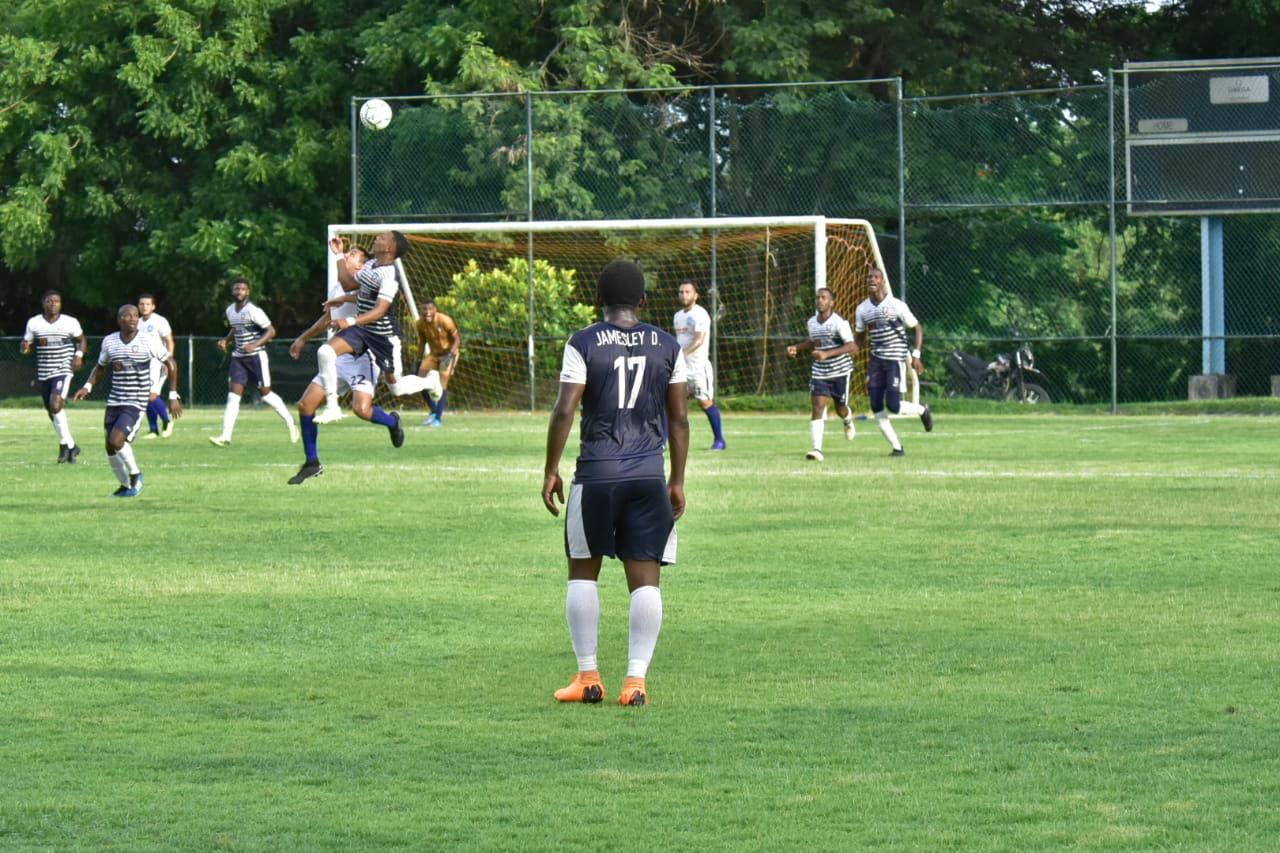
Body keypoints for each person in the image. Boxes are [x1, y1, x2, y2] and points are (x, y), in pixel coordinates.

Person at [542, 259, 689, 708]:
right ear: (643, 301)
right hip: (648, 474)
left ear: (596, 300)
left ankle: (587, 677)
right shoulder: (667, 345)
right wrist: (677, 479)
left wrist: (551, 468)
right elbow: (679, 418)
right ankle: (635, 683)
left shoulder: (583, 341)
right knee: (646, 580)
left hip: (597, 474)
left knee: (583, 569)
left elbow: (566, 409)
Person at [286, 248, 405, 485]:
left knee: (361, 410)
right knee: (305, 405)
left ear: (360, 265)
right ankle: (312, 463)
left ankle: (392, 422)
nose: (346, 256)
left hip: (363, 355)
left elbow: (375, 306)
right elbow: (328, 317)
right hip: (338, 357)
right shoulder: (337, 287)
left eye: (351, 254)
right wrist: (303, 337)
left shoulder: (368, 286)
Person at [71, 304, 182, 497]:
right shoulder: (110, 341)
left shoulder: (148, 340)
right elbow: (100, 367)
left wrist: (172, 395)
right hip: (115, 400)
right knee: (109, 445)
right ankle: (124, 485)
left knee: (116, 440)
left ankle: (136, 475)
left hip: (136, 400)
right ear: (119, 319)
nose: (132, 318)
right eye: (127, 315)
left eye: (135, 316)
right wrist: (87, 387)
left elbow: (170, 363)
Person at [314, 232, 432, 409]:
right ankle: (332, 407)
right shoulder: (370, 264)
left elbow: (379, 311)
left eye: (382, 238)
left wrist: (349, 321)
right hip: (362, 330)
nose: (377, 238)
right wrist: (339, 254)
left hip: (383, 337)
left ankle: (430, 381)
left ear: (388, 248)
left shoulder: (389, 276)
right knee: (325, 352)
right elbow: (348, 284)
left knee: (396, 388)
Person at [208, 278, 298, 447]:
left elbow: (271, 331)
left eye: (243, 289)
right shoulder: (230, 311)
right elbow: (236, 328)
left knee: (266, 394)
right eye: (236, 289)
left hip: (256, 357)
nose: (239, 292)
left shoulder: (253, 310)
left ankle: (291, 422)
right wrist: (226, 340)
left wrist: (255, 344)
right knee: (233, 397)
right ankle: (225, 436)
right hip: (238, 358)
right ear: (233, 291)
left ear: (248, 292)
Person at [854, 267, 934, 456]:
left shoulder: (896, 305)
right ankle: (897, 448)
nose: (871, 280)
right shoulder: (862, 309)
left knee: (894, 406)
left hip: (894, 361)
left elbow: (917, 328)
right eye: (869, 277)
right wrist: (849, 351)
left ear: (882, 282)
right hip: (875, 361)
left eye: (875, 277)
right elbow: (859, 338)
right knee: (875, 405)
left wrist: (916, 355)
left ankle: (922, 410)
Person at [786, 287, 858, 461]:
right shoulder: (812, 322)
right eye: (817, 297)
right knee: (818, 406)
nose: (820, 300)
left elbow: (852, 347)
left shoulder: (839, 322)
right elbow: (814, 342)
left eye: (824, 298)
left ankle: (847, 420)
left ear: (831, 302)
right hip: (820, 371)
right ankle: (817, 449)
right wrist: (796, 347)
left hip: (840, 371)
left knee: (840, 408)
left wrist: (826, 353)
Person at [21, 290, 86, 464]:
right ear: (43, 303)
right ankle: (70, 444)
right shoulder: (34, 323)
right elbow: (26, 347)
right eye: (49, 301)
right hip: (44, 372)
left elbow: (82, 340)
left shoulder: (70, 322)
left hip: (63, 369)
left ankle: (65, 446)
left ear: (61, 304)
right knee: (52, 412)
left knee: (55, 405)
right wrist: (25, 347)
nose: (53, 304)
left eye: (57, 301)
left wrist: (78, 355)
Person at [673, 281, 726, 450]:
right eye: (681, 292)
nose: (684, 295)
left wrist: (681, 355)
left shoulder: (700, 314)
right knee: (672, 403)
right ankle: (664, 442)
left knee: (705, 402)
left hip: (698, 368)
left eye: (688, 292)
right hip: (681, 368)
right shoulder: (677, 316)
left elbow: (699, 339)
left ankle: (719, 440)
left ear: (696, 295)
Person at [414, 300, 459, 427]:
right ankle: (434, 411)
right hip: (434, 355)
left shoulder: (445, 320)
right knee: (418, 380)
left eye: (430, 309)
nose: (427, 312)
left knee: (443, 380)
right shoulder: (420, 324)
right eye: (424, 309)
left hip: (448, 354)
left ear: (435, 309)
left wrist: (450, 355)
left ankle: (438, 419)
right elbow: (422, 343)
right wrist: (418, 361)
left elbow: (457, 339)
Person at [138, 293, 176, 439]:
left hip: (158, 363)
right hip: (143, 363)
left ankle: (167, 422)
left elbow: (169, 341)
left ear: (153, 306)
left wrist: (169, 361)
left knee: (151, 395)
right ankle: (153, 429)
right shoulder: (138, 322)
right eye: (141, 304)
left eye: (147, 304)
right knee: (144, 395)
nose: (144, 306)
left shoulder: (160, 321)